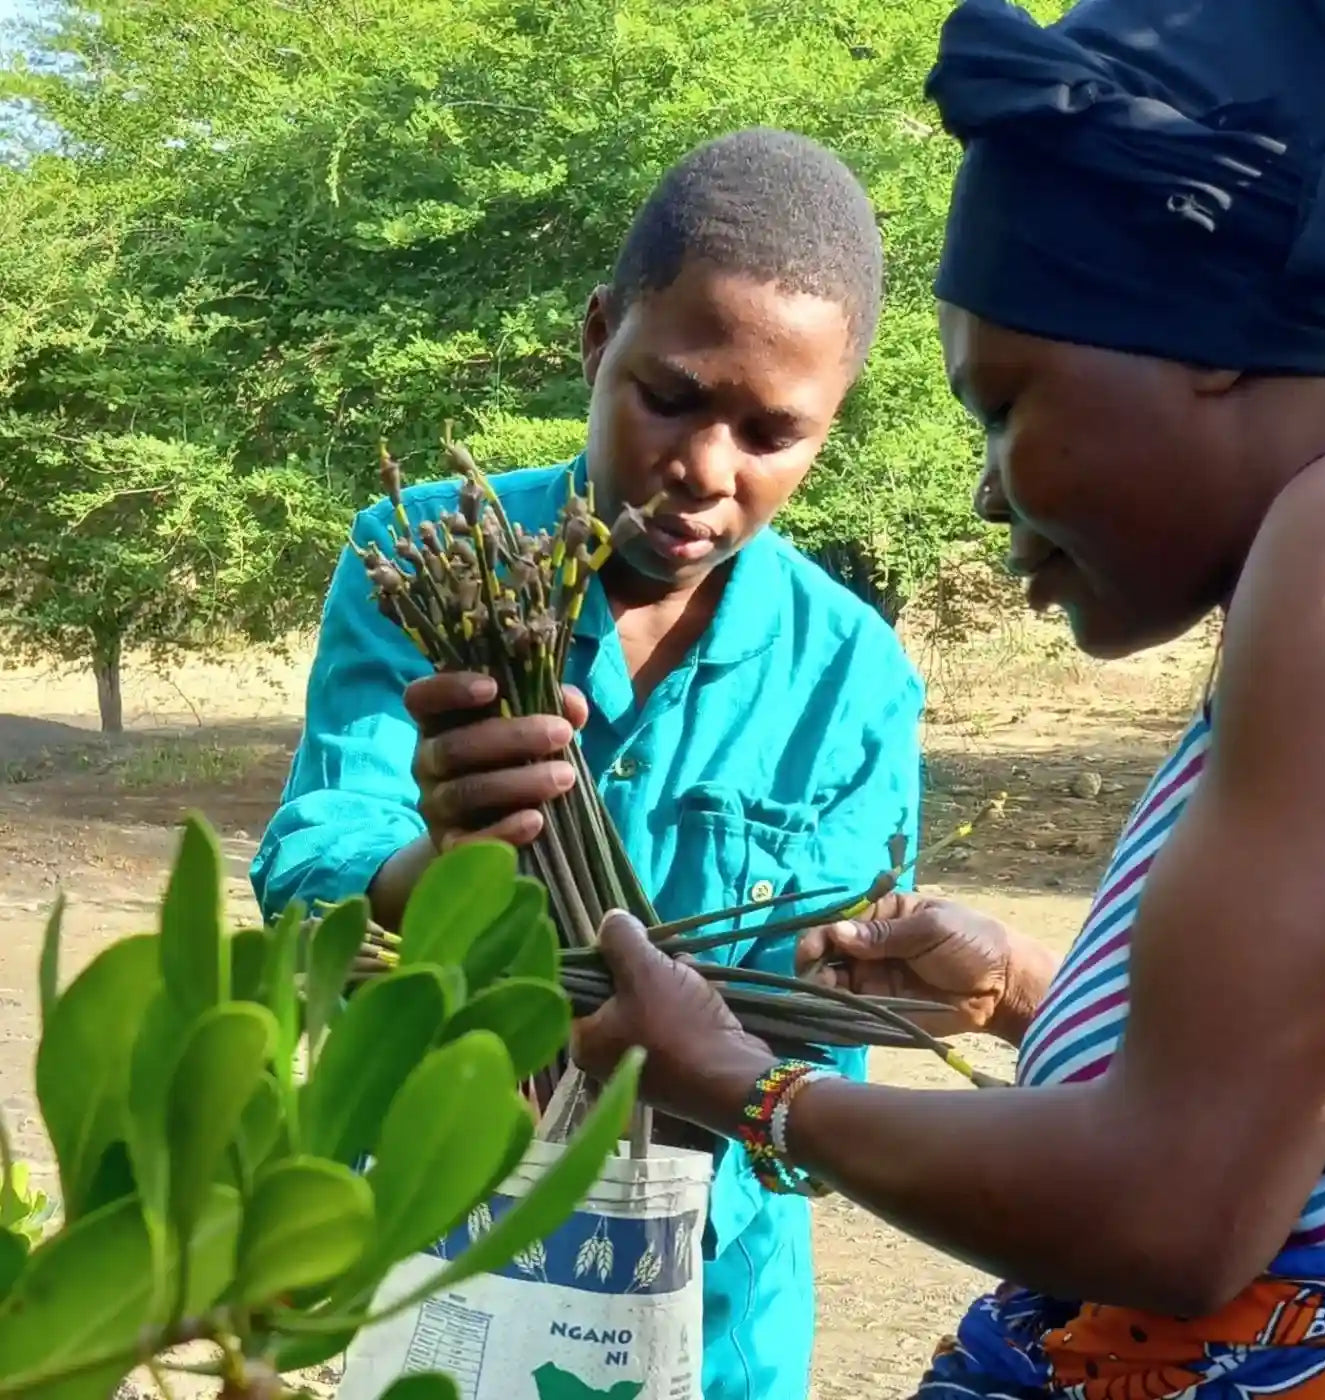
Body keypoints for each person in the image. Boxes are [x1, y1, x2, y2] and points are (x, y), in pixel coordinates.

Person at [569, 2, 1325, 1397]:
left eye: (1007, 403)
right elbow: (1306, 1109)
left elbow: (1176, 1212)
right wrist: (1026, 993)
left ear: (1203, 337)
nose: (987, 485)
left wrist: (746, 1087)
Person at [250, 127, 923, 1400]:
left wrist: (718, 1067)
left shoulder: (855, 677)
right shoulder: (426, 554)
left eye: (771, 431)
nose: (704, 472)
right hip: (436, 1243)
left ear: (827, 431)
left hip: (709, 1321)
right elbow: (307, 870)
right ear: (595, 333)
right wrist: (432, 865)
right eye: (668, 395)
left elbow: (819, 1071)